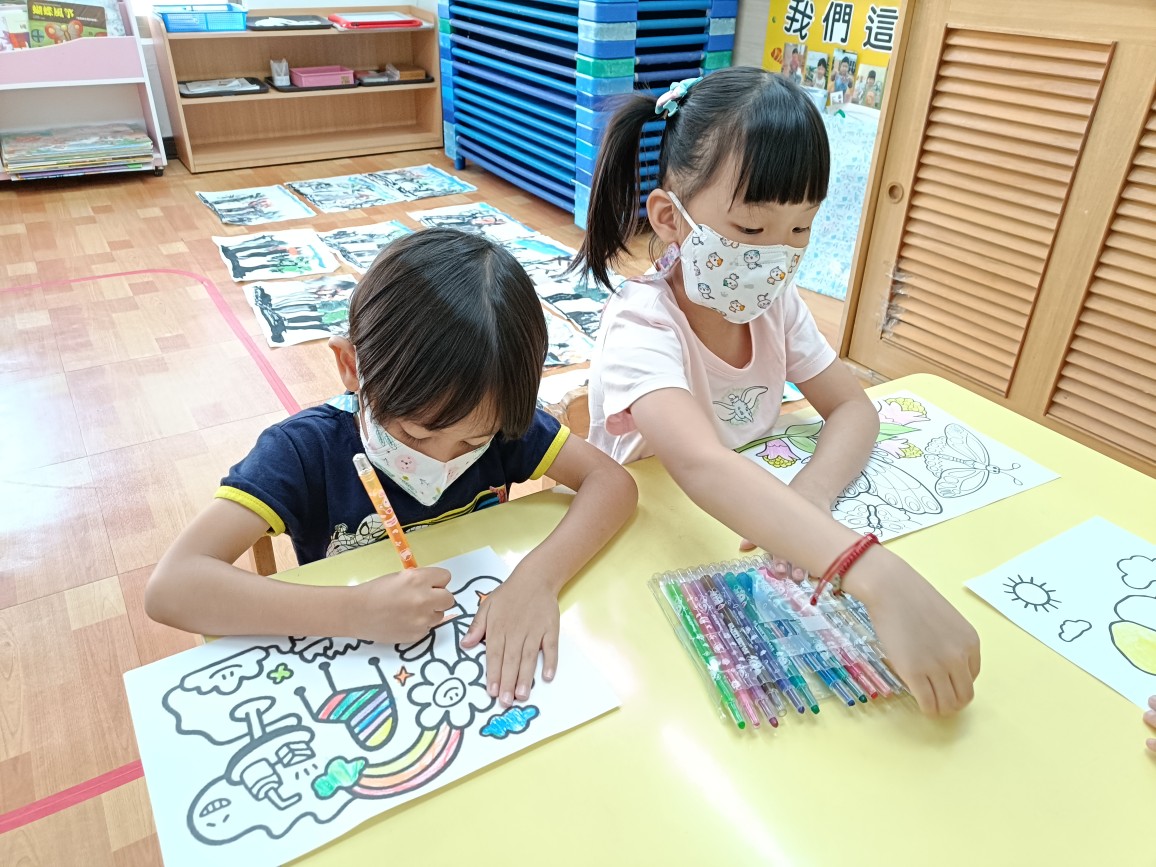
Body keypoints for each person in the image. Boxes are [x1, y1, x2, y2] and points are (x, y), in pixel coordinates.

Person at [572, 69, 981, 717]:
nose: (776, 257)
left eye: (801, 230)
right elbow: (700, 463)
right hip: (643, 547)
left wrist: (810, 497)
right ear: (670, 218)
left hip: (741, 539)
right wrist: (867, 569)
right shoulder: (641, 325)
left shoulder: (776, 307)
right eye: (751, 230)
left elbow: (853, 408)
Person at [146, 229, 638, 707]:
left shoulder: (501, 420)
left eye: (473, 441)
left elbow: (611, 482)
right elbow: (173, 587)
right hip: (356, 666)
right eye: (416, 435)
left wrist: (537, 579)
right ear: (351, 367)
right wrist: (352, 611)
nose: (443, 458)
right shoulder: (303, 451)